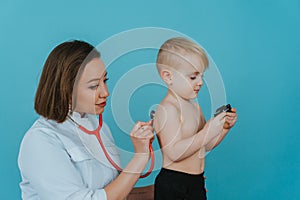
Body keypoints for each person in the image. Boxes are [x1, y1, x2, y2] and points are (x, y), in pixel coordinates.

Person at [18, 40, 154, 200]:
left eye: (105, 81)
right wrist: (140, 157)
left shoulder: (98, 126)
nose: (105, 92)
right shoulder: (41, 140)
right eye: (94, 86)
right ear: (66, 90)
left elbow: (113, 191)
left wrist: (171, 186)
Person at [153, 37, 238, 200]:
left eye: (201, 76)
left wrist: (224, 128)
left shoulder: (194, 106)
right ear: (168, 77)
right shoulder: (168, 109)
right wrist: (207, 131)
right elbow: (174, 152)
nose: (200, 82)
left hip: (196, 181)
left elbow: (204, 145)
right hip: (173, 183)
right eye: (193, 77)